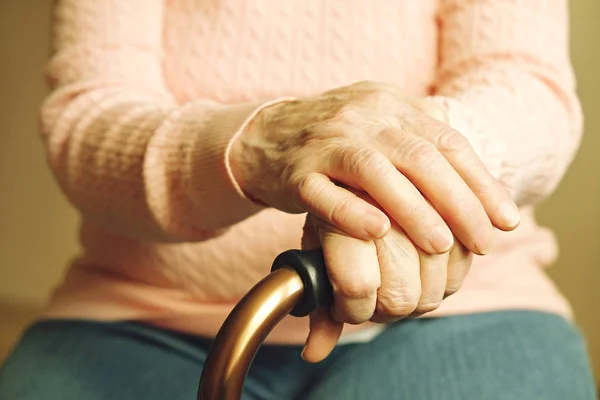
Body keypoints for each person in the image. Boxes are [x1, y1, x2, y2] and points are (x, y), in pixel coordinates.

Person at [0, 0, 596, 399]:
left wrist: (395, 175)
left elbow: (525, 93)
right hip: (140, 315)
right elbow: (89, 122)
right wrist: (263, 146)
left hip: (465, 315)